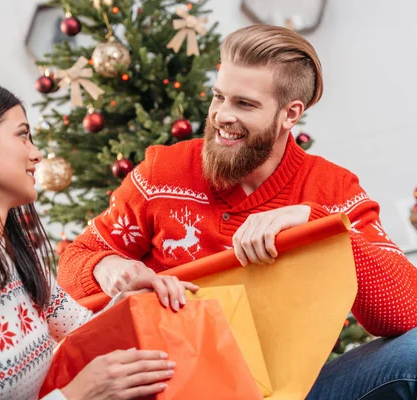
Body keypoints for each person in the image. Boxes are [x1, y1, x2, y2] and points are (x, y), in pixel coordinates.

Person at [57, 25, 417, 399]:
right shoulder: (162, 172)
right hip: (179, 388)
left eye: (244, 104)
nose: (221, 116)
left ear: (289, 114)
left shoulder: (332, 188)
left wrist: (317, 222)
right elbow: (71, 266)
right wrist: (107, 266)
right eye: (218, 97)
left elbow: (407, 312)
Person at [0, 81, 198, 400]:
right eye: (22, 135)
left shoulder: (9, 257)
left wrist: (132, 296)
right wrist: (76, 397)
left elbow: (83, 328)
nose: (37, 154)